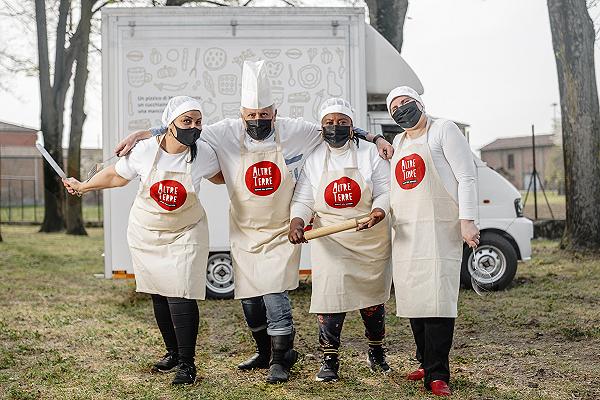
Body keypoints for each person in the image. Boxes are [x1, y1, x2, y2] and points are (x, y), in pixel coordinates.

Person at [114, 61, 395, 384]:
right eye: (251, 115)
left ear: (275, 113)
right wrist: (147, 133)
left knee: (275, 295)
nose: (258, 120)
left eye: (264, 115)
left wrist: (373, 137)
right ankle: (264, 351)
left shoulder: (293, 130)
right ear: (241, 114)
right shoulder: (225, 131)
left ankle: (281, 358)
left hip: (279, 229)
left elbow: (334, 129)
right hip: (245, 229)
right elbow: (185, 129)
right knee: (249, 300)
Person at [63, 96, 221, 385]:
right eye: (187, 121)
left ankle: (187, 364)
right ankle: (172, 353)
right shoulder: (146, 150)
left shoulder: (205, 154)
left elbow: (223, 177)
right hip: (147, 232)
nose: (194, 127)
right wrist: (84, 187)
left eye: (198, 122)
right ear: (169, 124)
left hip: (187, 230)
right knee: (158, 290)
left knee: (181, 291)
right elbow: (115, 176)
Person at [288, 98, 392, 382]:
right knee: (330, 298)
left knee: (371, 300)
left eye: (342, 122)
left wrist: (379, 210)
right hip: (330, 238)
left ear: (351, 125)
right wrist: (297, 220)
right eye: (329, 123)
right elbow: (304, 198)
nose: (335, 128)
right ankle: (329, 361)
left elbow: (384, 190)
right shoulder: (314, 158)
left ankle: (377, 354)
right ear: (321, 127)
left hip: (368, 236)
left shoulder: (371, 153)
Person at [387, 86, 480, 397]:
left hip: (440, 229)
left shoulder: (444, 130)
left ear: (420, 102)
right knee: (415, 297)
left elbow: (466, 176)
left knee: (438, 299)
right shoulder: (399, 142)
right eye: (394, 107)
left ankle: (438, 374)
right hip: (408, 231)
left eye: (406, 102)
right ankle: (425, 362)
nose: (401, 108)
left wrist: (467, 220)